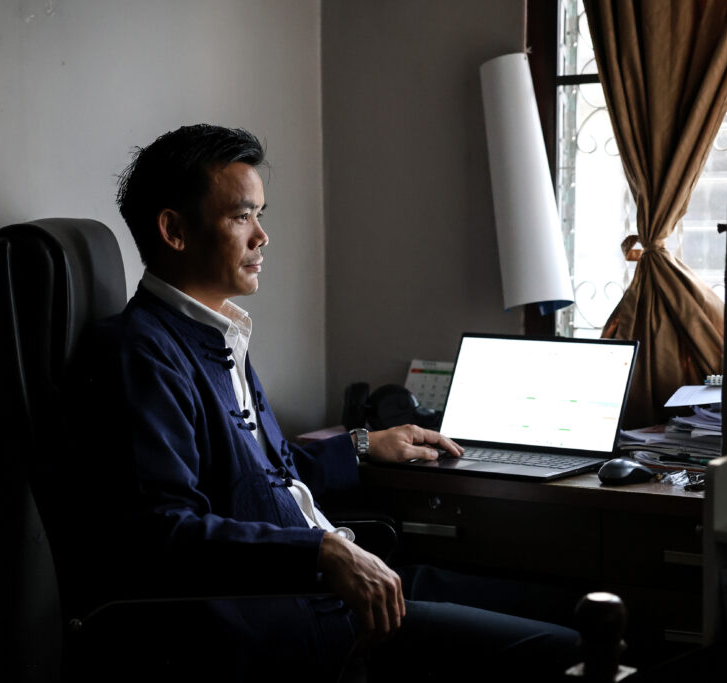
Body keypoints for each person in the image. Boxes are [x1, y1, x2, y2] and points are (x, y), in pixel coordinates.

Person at [61, 124, 580, 682]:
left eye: (261, 215)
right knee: (568, 647)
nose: (263, 236)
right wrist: (322, 554)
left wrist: (364, 444)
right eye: (242, 217)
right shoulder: (140, 353)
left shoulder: (214, 334)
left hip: (326, 582)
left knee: (574, 602)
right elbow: (163, 533)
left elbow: (260, 478)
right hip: (289, 612)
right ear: (175, 230)